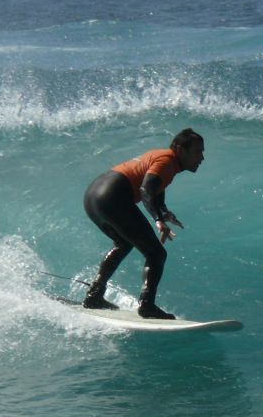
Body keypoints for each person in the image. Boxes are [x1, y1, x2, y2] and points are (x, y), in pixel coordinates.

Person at [82, 128, 205, 319]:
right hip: (113, 196)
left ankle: (94, 296)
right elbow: (146, 189)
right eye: (198, 152)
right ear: (180, 149)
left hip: (93, 197)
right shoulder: (167, 161)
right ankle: (147, 306)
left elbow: (155, 189)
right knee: (156, 253)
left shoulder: (162, 157)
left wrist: (164, 212)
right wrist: (157, 219)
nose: (202, 158)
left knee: (123, 244)